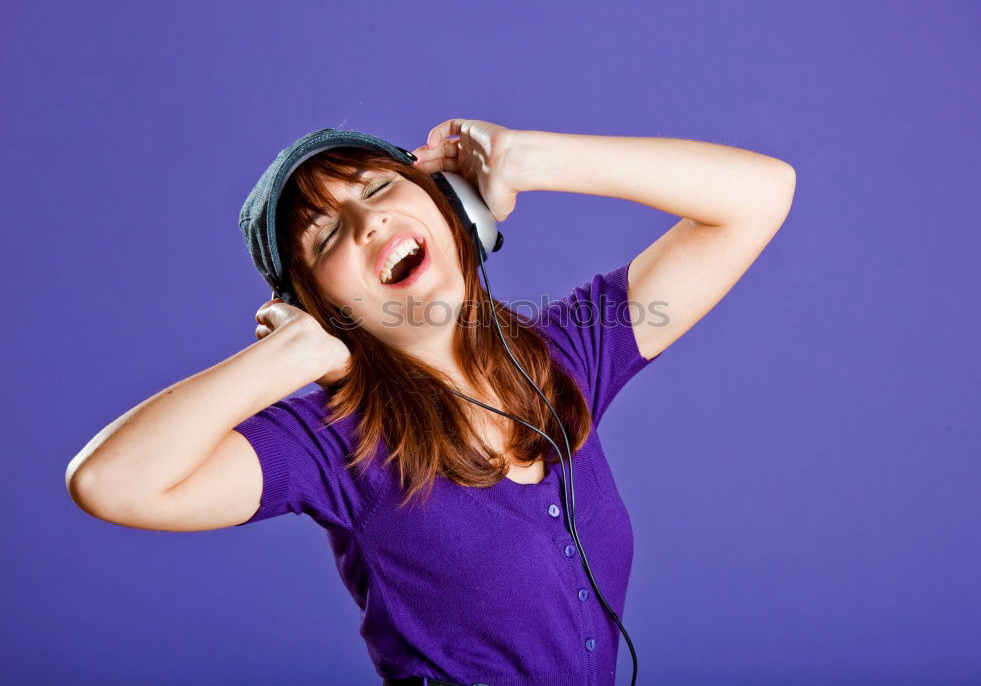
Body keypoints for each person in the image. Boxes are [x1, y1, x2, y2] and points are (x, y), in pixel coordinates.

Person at [65, 118, 796, 685]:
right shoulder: (336, 441)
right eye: (325, 236)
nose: (368, 222)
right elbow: (111, 480)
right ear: (321, 305)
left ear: (456, 213)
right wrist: (292, 354)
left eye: (379, 188)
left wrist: (534, 160)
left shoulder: (563, 356)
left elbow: (760, 196)